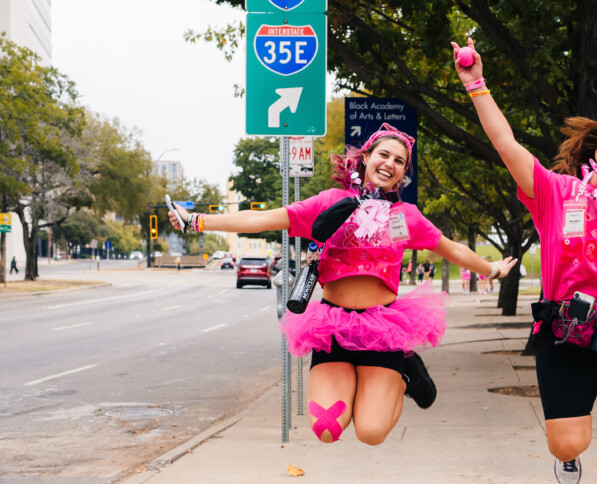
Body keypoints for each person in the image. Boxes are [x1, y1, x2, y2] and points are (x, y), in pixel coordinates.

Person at [168, 123, 516, 446]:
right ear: (365, 158)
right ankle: (373, 384)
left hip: (383, 331)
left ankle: (405, 374)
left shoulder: (406, 217)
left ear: (401, 175)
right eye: (383, 155)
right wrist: (197, 220)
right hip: (332, 328)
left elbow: (451, 247)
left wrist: (493, 270)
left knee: (370, 433)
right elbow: (262, 218)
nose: (389, 164)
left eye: (399, 161)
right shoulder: (329, 203)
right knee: (327, 429)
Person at [453, 39, 597, 484]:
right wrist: (476, 85)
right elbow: (504, 142)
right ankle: (571, 446)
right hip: (563, 329)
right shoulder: (554, 191)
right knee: (567, 443)